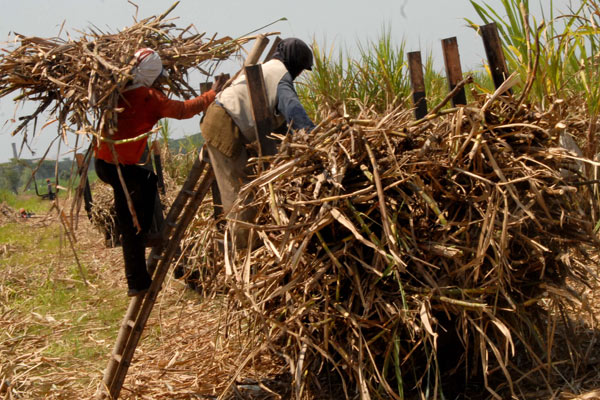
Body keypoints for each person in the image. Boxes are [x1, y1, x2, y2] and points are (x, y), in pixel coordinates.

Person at [94, 48, 227, 296]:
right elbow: (184, 110)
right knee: (132, 223)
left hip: (103, 164)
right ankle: (137, 280)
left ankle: (144, 242)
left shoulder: (116, 89)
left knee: (147, 182)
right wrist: (213, 92)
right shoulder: (148, 97)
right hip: (120, 169)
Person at [200, 37, 315, 247]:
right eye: (300, 69)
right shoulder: (281, 77)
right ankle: (242, 255)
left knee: (250, 185)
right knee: (241, 196)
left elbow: (279, 121)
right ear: (294, 63)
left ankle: (248, 245)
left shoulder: (269, 68)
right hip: (225, 126)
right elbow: (293, 110)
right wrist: (314, 135)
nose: (299, 74)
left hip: (226, 122)